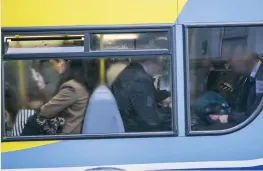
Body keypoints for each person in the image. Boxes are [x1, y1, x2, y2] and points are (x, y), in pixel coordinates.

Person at [37, 59, 99, 134]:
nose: (58, 66)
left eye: (60, 62)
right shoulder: (85, 84)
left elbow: (45, 111)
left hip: (68, 134)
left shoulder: (71, 88)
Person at [111, 56, 172, 132]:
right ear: (150, 62)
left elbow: (152, 95)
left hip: (130, 122)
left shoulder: (133, 71)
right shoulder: (140, 79)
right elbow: (152, 120)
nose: (160, 70)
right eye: (160, 66)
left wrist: (170, 94)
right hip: (136, 129)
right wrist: (174, 116)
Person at [210, 52, 263, 125]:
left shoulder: (260, 77)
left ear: (249, 58)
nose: (233, 66)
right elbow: (241, 100)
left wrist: (228, 117)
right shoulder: (248, 76)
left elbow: (254, 114)